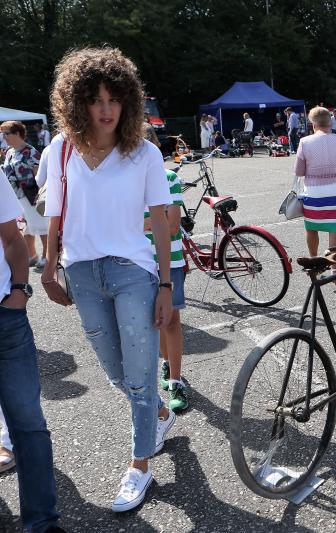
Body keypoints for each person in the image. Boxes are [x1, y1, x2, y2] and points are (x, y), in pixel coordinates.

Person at [42, 47, 176, 513]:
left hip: (132, 274)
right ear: (77, 102)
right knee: (114, 370)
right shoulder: (60, 149)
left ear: (128, 102)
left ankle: (140, 465)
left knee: (138, 375)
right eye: (96, 100)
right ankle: (160, 413)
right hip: (80, 272)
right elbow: (54, 211)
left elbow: (160, 220)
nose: (105, 110)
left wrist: (165, 286)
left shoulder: (144, 153)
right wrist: (47, 264)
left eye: (114, 100)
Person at [0, 175, 64, 532]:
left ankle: (43, 523)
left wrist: (20, 292)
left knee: (28, 426)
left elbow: (12, 238)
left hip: (5, 319)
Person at [145, 170, 189, 412]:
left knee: (170, 321)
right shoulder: (122, 176)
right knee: (156, 321)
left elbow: (172, 226)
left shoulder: (168, 177)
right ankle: (167, 361)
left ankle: (176, 380)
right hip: (138, 263)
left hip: (169, 262)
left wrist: (134, 222)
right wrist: (156, 219)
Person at [294, 107, 336, 282]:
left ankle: (313, 262)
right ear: (330, 122)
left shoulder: (305, 142)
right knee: (335, 231)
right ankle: (335, 270)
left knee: (312, 228)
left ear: (313, 124)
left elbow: (299, 171)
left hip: (314, 192)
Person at [0, 120, 48, 268]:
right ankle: (31, 255)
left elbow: (39, 174)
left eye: (6, 133)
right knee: (26, 227)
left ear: (17, 133)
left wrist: (40, 194)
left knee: (41, 227)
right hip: (16, 197)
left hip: (30, 195)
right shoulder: (9, 152)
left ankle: (47, 255)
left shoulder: (30, 151)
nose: (4, 137)